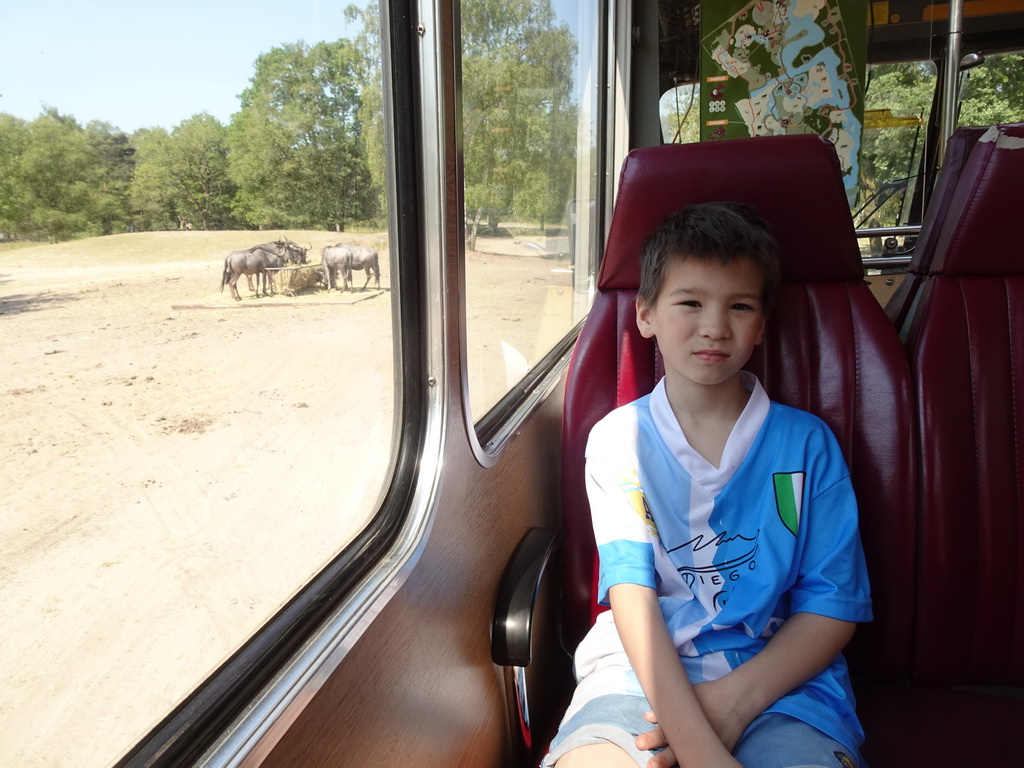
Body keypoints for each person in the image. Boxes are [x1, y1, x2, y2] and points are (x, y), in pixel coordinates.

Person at [543, 202, 872, 768]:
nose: (715, 327)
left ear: (762, 324)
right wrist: (698, 745)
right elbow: (633, 596)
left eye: (739, 306)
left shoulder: (806, 446)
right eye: (690, 302)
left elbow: (831, 603)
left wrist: (731, 703)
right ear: (645, 313)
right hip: (636, 674)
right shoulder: (617, 441)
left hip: (780, 684)